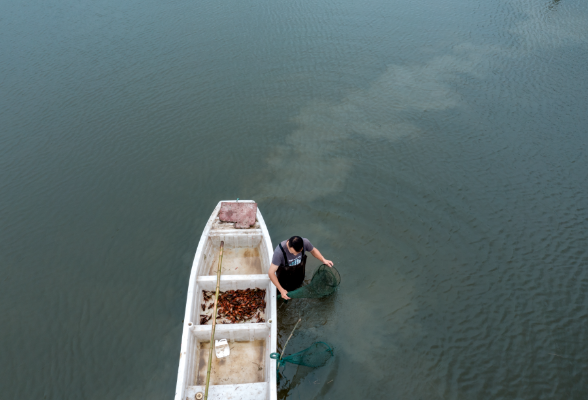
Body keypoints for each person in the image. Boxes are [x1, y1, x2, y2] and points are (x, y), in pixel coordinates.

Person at [268, 236, 333, 300]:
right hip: (284, 280)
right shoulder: (279, 253)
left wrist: (323, 260)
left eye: (298, 253)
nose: (295, 255)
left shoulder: (305, 242)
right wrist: (281, 289)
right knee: (281, 296)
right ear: (288, 244)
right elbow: (271, 273)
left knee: (299, 286)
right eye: (292, 253)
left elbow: (313, 250)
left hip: (299, 274)